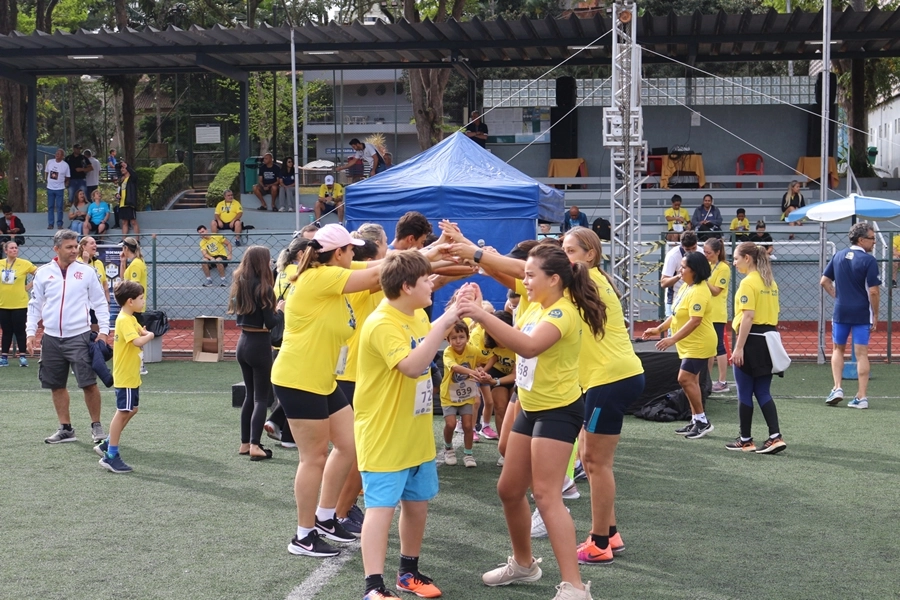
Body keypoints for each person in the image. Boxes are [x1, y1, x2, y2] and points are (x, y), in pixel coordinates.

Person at [456, 244, 604, 600]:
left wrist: (479, 313)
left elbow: (528, 346)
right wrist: (480, 286)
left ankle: (575, 588)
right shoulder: (538, 304)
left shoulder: (562, 313)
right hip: (532, 407)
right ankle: (524, 565)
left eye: (530, 275)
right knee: (509, 490)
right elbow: (510, 284)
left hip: (558, 411)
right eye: (524, 275)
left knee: (546, 495)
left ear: (553, 279)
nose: (524, 281)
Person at [271, 224, 382, 558]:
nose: (355, 254)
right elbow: (380, 274)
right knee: (314, 457)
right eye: (351, 249)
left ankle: (325, 517)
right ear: (338, 253)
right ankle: (303, 536)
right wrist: (435, 256)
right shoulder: (322, 277)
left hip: (322, 379)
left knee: (349, 445)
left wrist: (434, 253)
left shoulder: (331, 272)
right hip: (299, 379)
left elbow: (381, 266)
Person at [354, 251, 460, 600]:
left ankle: (408, 573)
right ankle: (373, 587)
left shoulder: (414, 316)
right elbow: (412, 366)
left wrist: (453, 312)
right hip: (384, 434)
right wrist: (447, 320)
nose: (432, 284)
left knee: (417, 504)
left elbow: (427, 343)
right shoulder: (382, 322)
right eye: (426, 280)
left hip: (414, 431)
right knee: (380, 510)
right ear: (406, 286)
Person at [561, 227, 644, 566]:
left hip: (610, 379)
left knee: (596, 463)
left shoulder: (586, 279)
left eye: (570, 251)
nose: (564, 257)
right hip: (610, 378)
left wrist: (478, 256)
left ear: (590, 254)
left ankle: (598, 543)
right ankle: (610, 534)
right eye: (563, 250)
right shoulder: (589, 279)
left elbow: (526, 273)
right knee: (589, 456)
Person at [26, 229, 110, 444]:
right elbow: (35, 304)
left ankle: (96, 426)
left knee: (88, 383)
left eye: (76, 246)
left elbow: (100, 303)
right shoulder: (43, 273)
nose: (74, 250)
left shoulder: (87, 272)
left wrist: (103, 331)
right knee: (56, 384)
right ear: (56, 249)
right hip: (51, 338)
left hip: (80, 336)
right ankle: (65, 428)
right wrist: (30, 332)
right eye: (69, 247)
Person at [643, 251, 717, 439]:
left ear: (695, 270)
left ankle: (702, 421)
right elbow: (676, 314)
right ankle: (696, 420)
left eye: (684, 267)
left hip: (699, 344)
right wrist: (658, 329)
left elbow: (695, 321)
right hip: (690, 344)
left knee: (684, 379)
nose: (680, 270)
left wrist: (672, 339)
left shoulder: (699, 291)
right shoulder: (686, 286)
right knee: (691, 381)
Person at [726, 241, 787, 454]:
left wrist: (739, 347)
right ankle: (775, 436)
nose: (734, 262)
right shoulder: (770, 282)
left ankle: (745, 440)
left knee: (744, 391)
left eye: (736, 258)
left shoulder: (748, 283)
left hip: (751, 340)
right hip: (768, 339)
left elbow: (748, 316)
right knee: (762, 391)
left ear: (747, 258)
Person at [94, 280, 154, 473]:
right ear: (130, 301)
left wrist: (145, 332)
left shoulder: (131, 318)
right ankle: (110, 455)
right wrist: (150, 336)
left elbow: (141, 330)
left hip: (131, 375)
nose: (143, 301)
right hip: (126, 375)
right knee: (123, 411)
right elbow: (137, 341)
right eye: (141, 298)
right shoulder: (124, 320)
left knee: (132, 408)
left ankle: (107, 443)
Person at [230, 245, 282, 462]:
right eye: (268, 260)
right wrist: (280, 310)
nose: (271, 264)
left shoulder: (239, 284)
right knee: (261, 398)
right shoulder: (264, 288)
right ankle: (255, 445)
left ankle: (245, 443)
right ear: (262, 262)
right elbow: (270, 322)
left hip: (242, 342)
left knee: (250, 395)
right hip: (259, 344)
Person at [821, 222, 880, 409]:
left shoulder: (838, 256)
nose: (874, 242)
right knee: (862, 354)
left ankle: (837, 387)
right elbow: (874, 291)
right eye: (872, 238)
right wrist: (876, 314)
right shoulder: (869, 261)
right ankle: (861, 397)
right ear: (861, 240)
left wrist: (837, 296)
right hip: (862, 312)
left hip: (841, 311)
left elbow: (824, 281)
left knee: (838, 349)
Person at [441, 321, 491, 468]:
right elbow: (455, 367)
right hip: (448, 395)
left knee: (468, 425)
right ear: (448, 340)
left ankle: (468, 454)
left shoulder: (473, 350)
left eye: (461, 337)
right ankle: (448, 449)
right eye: (454, 338)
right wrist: (473, 372)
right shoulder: (448, 352)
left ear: (467, 337)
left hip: (467, 395)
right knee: (450, 424)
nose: (458, 341)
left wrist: (482, 370)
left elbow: (489, 358)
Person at [0, 240, 37, 367]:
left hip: (20, 303)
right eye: (11, 248)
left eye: (16, 248)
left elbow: (39, 274)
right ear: (5, 251)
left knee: (20, 330)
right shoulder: (0, 264)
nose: (14, 250)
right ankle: (4, 357)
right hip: (3, 303)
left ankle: (22, 356)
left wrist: (28, 286)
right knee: (6, 331)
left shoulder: (25, 263)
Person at [704, 237, 731, 393]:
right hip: (706, 312)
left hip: (717, 313)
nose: (706, 255)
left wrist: (704, 280)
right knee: (708, 347)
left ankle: (722, 381)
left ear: (717, 252)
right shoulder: (709, 265)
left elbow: (716, 291)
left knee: (718, 346)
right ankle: (706, 379)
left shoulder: (724, 268)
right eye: (705, 252)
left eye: (709, 253)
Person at [660, 231, 698, 318]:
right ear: (682, 246)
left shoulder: (700, 252)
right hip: (675, 299)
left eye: (694, 248)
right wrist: (679, 275)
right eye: (687, 249)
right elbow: (663, 282)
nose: (691, 252)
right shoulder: (672, 256)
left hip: (694, 298)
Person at [77, 236, 111, 328]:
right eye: (92, 243)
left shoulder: (99, 263)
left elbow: (104, 284)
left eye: (95, 243)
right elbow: (80, 282)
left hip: (97, 302)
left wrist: (107, 302)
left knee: (99, 329)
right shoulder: (77, 262)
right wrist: (85, 261)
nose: (95, 245)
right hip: (84, 303)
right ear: (84, 247)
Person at [45, 148, 70, 230]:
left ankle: (59, 224)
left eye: (59, 154)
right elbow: (46, 172)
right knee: (50, 207)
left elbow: (67, 176)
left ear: (62, 156)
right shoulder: (50, 162)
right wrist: (48, 180)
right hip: (50, 188)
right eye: (56, 153)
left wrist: (62, 181)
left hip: (59, 188)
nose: (57, 155)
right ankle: (50, 224)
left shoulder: (65, 165)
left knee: (59, 207)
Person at [65, 144, 91, 210]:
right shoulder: (68, 158)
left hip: (81, 179)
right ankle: (73, 210)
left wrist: (82, 169)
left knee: (84, 196)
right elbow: (64, 169)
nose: (79, 150)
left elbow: (90, 168)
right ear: (74, 149)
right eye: (77, 148)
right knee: (71, 197)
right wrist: (66, 180)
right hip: (71, 180)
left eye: (80, 149)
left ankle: (84, 210)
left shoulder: (83, 158)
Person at [117, 160, 140, 236]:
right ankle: (124, 240)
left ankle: (137, 239)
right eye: (121, 168)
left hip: (129, 203)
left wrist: (127, 166)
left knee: (133, 221)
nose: (122, 169)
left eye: (123, 168)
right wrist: (118, 195)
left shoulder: (131, 179)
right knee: (124, 222)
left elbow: (134, 175)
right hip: (122, 203)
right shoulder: (122, 180)